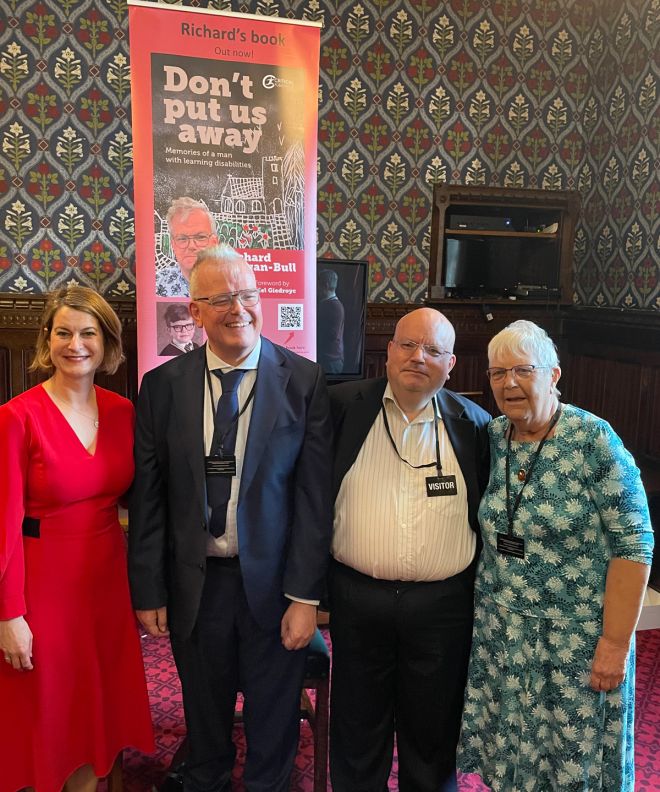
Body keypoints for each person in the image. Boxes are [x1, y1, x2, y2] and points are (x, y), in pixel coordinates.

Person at [129, 244, 333, 792]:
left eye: (247, 295)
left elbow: (315, 500)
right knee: (205, 713)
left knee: (273, 719)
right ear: (194, 312)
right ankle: (209, 777)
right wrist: (149, 590)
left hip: (273, 585)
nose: (238, 309)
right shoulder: (163, 386)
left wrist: (305, 597)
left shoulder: (304, 381)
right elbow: (150, 496)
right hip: (197, 585)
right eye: (221, 299)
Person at [458, 319, 654, 792]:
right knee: (511, 759)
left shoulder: (593, 440)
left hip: (575, 641)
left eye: (523, 370)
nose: (509, 384)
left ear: (554, 375)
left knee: (570, 766)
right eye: (497, 373)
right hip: (503, 632)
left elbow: (635, 541)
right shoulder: (493, 436)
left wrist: (615, 643)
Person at [328, 307, 491, 792]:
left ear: (452, 363)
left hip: (442, 608)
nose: (418, 357)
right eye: (407, 345)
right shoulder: (340, 407)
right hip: (358, 600)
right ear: (389, 351)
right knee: (358, 731)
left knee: (433, 736)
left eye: (434, 350)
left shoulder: (476, 425)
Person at [0, 286, 154, 792]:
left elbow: (141, 496)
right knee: (52, 717)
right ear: (47, 340)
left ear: (107, 343)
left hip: (107, 583)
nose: (76, 344)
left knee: (97, 713)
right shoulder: (17, 417)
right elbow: (4, 525)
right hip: (43, 586)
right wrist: (8, 614)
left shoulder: (123, 412)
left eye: (88, 333)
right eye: (63, 332)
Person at [156, 197, 218, 297]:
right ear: (173, 245)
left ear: (214, 242)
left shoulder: (236, 285)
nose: (191, 246)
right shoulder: (157, 284)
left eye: (200, 237)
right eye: (182, 238)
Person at [317, 268, 345, 374]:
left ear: (326, 285)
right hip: (329, 360)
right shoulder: (328, 304)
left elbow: (332, 335)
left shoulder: (333, 306)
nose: (316, 288)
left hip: (331, 362)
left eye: (318, 284)